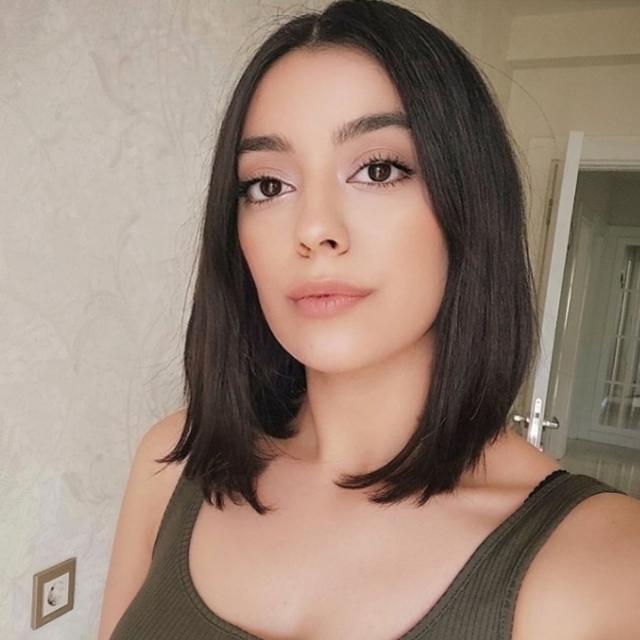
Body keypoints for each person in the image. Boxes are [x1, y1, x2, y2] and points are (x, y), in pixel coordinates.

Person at [98, 1, 640, 638]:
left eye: (379, 170)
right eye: (268, 185)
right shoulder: (171, 464)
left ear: (469, 204)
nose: (314, 229)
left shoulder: (604, 565)